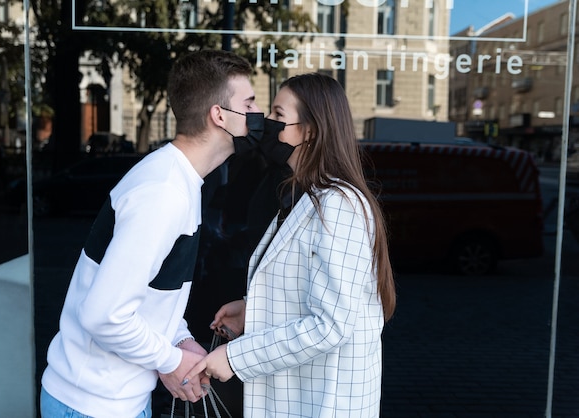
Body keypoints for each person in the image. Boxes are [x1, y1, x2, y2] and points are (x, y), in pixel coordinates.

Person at [40, 49, 263, 418]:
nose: (259, 114)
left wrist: (179, 339)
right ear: (219, 115)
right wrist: (170, 359)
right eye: (250, 102)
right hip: (92, 406)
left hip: (111, 400)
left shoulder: (178, 179)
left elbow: (147, 292)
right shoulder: (163, 193)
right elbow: (103, 314)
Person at [184, 72, 397, 417]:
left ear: (310, 130)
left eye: (278, 115)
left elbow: (330, 325)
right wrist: (251, 310)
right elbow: (306, 293)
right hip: (300, 396)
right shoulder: (302, 197)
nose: (267, 123)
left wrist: (236, 358)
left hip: (325, 403)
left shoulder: (338, 205)